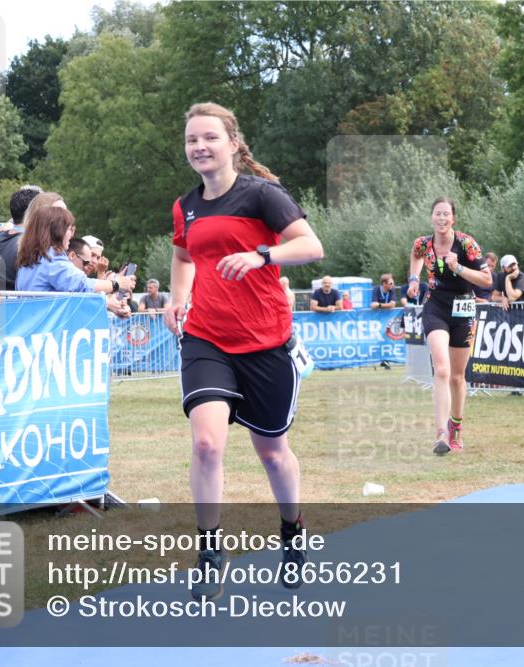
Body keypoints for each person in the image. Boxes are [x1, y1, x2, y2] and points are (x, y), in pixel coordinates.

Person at [161, 102, 324, 601]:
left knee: (272, 453)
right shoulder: (186, 205)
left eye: (210, 137)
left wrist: (262, 255)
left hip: (266, 340)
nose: (200, 147)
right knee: (207, 443)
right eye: (192, 140)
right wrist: (178, 298)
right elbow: (183, 253)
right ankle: (210, 549)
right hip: (207, 337)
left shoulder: (262, 196)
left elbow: (311, 246)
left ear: (233, 143)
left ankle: (292, 535)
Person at [406, 197, 492, 455]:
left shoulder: (467, 244)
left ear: (453, 218)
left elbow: (486, 280)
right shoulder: (423, 243)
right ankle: (441, 433)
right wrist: (413, 278)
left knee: (457, 376)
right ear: (431, 217)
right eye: (437, 214)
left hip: (464, 309)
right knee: (441, 369)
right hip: (436, 306)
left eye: (446, 214)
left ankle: (456, 426)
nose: (441, 219)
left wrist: (459, 267)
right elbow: (416, 255)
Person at [16, 207, 136, 296]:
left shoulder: (31, 257)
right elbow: (82, 285)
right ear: (57, 231)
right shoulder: (52, 257)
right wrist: (116, 283)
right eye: (69, 229)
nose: (71, 234)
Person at [0, 185, 43, 290]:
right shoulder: (31, 243)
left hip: (0, 301)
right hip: (19, 303)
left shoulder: (0, 237)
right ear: (34, 213)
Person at [67, 237, 130, 317]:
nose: (95, 261)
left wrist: (118, 307)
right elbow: (82, 297)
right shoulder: (67, 275)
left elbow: (94, 299)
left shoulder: (91, 274)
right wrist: (114, 283)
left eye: (98, 257)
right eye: (91, 255)